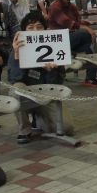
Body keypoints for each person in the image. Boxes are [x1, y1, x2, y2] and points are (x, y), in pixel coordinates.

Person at [9, 11, 65, 144]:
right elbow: (14, 78)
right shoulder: (18, 47)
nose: (35, 31)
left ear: (45, 29)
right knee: (15, 90)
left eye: (39, 27)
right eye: (30, 27)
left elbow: (58, 83)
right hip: (26, 96)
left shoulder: (55, 47)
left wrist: (51, 71)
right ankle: (24, 129)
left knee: (66, 128)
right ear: (24, 31)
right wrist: (17, 56)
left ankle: (37, 118)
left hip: (46, 96)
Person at [47, 0, 97, 88]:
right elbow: (68, 23)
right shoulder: (55, 6)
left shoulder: (72, 7)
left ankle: (90, 78)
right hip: (58, 41)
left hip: (72, 39)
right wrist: (87, 29)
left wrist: (89, 26)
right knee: (85, 34)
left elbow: (78, 22)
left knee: (90, 46)